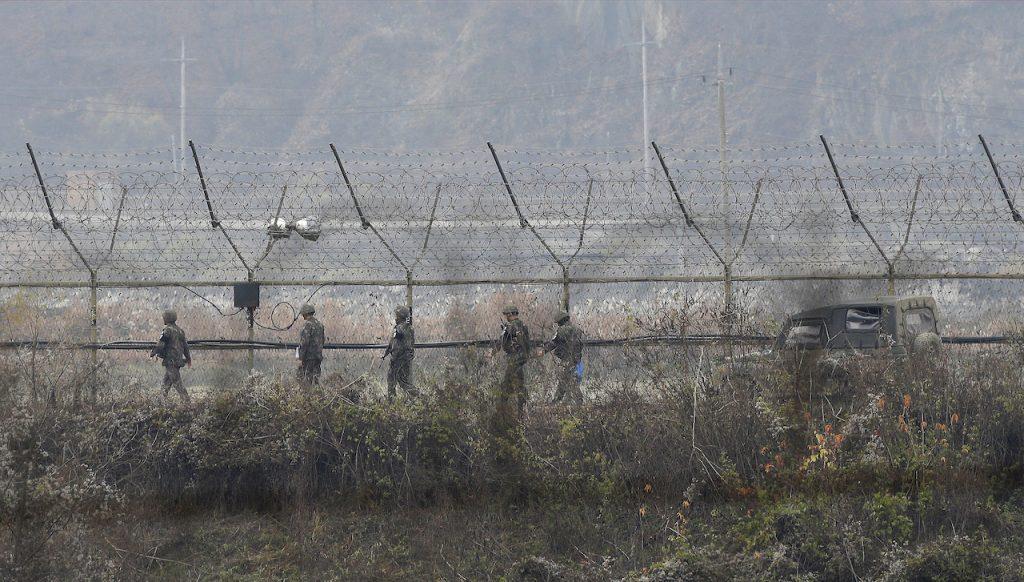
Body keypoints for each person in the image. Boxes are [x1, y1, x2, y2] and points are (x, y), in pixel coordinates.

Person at [540, 310, 585, 404]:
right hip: (577, 360)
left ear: (561, 321)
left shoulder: (562, 330)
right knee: (566, 379)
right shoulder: (578, 330)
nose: (558, 324)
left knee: (567, 380)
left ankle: (576, 400)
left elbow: (553, 343)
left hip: (567, 359)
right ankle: (557, 400)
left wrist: (543, 350)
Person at [494, 305, 531, 415]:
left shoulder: (510, 327)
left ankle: (502, 410)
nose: (506, 317)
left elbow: (501, 341)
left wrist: (492, 352)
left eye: (506, 315)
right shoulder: (523, 326)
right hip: (522, 358)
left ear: (510, 315)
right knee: (519, 383)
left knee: (506, 384)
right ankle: (521, 410)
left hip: (514, 358)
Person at [150, 309, 192, 404]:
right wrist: (188, 358)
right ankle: (160, 403)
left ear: (167, 318)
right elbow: (185, 346)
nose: (163, 319)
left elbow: (161, 343)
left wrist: (154, 353)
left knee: (177, 384)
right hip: (177, 360)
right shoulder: (180, 331)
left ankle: (188, 404)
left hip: (170, 360)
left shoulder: (167, 330)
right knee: (166, 383)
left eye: (164, 317)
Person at [384, 305, 419, 400]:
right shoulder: (406, 327)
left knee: (398, 381)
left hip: (400, 358)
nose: (395, 318)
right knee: (399, 381)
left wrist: (394, 357)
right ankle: (415, 398)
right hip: (402, 358)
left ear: (401, 317)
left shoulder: (402, 328)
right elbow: (396, 343)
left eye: (397, 316)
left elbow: (398, 345)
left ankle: (419, 397)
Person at [296, 303, 325, 386]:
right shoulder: (320, 325)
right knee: (316, 378)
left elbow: (304, 342)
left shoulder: (307, 325)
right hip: (318, 356)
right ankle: (317, 395)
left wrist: (300, 358)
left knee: (306, 379)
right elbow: (322, 340)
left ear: (305, 314)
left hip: (308, 357)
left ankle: (307, 396)